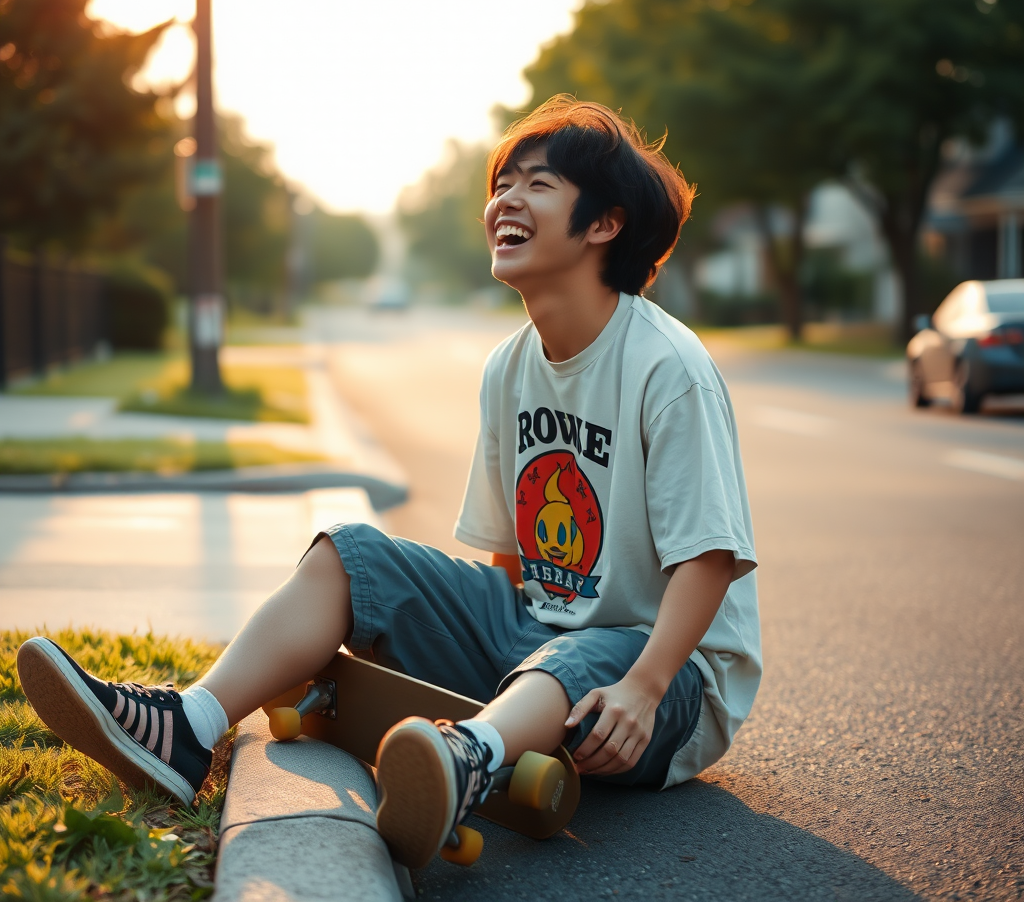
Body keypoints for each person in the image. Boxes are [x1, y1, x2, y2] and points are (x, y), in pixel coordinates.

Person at [18, 95, 760, 870]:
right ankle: (188, 727)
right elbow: (515, 567)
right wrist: (485, 650)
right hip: (550, 645)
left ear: (603, 223)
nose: (505, 199)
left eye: (538, 185)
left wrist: (642, 687)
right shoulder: (510, 366)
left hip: (663, 680)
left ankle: (466, 759)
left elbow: (708, 558)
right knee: (353, 555)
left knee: (574, 656)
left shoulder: (667, 368)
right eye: (502, 183)